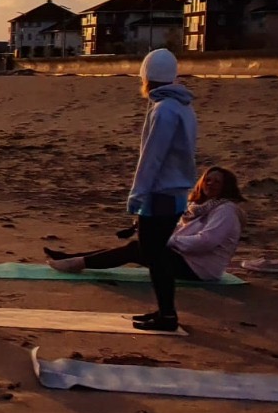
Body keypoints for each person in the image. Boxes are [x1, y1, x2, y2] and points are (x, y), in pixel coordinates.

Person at [44, 48, 197, 332]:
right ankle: (164, 312)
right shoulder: (180, 107)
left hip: (162, 193)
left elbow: (152, 158)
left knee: (154, 256)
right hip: (173, 193)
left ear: (147, 77)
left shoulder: (164, 110)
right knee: (154, 254)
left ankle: (167, 315)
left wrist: (137, 199)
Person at [46, 166, 244, 286]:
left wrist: (167, 241)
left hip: (200, 269)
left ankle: (77, 263)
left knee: (137, 249)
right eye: (207, 180)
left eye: (217, 181)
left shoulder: (224, 210)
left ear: (226, 186)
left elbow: (206, 242)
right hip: (185, 258)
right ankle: (72, 258)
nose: (211, 183)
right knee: (138, 245)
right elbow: (180, 231)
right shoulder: (197, 207)